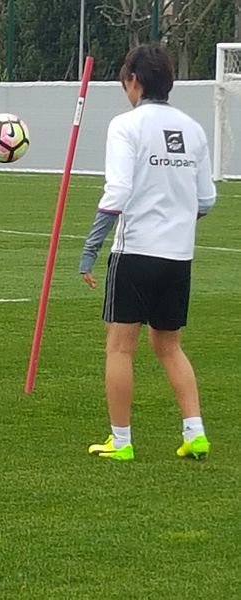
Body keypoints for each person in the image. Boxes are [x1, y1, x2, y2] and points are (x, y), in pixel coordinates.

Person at [79, 44, 216, 461]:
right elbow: (206, 199)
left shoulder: (126, 125)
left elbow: (117, 192)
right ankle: (195, 432)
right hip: (178, 256)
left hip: (135, 251)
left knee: (120, 347)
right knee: (169, 346)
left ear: (132, 80)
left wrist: (90, 248)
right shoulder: (192, 128)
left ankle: (120, 441)